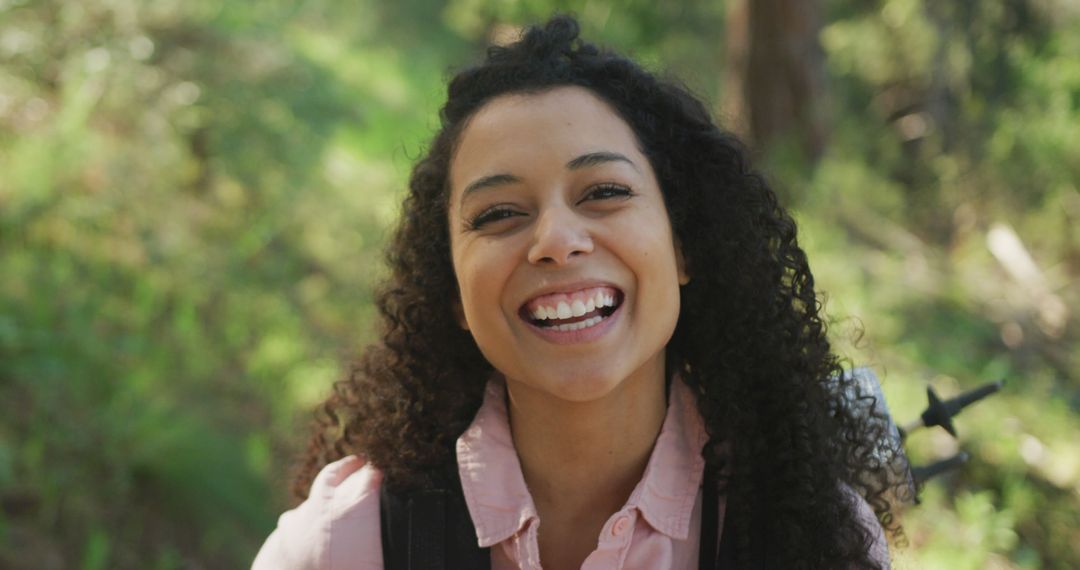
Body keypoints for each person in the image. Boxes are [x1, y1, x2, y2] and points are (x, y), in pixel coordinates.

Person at [253, 15, 899, 570]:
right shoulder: (347, 543)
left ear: (684, 246)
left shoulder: (814, 539)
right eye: (499, 213)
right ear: (451, 289)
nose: (556, 241)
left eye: (604, 193)